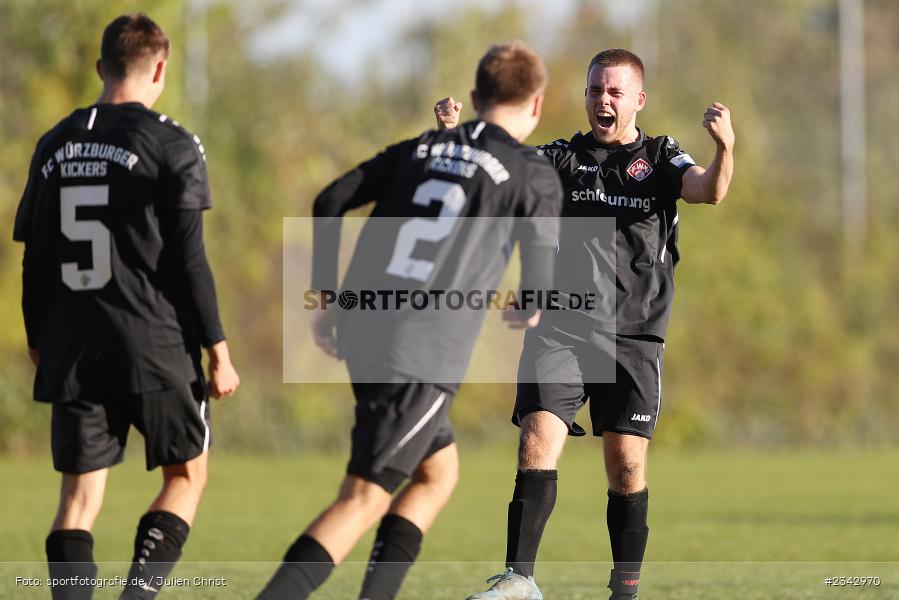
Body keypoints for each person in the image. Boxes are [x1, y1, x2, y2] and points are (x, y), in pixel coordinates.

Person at [257, 41, 562, 600]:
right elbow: (539, 274)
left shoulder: (422, 147)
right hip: (420, 351)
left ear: (474, 97)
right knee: (363, 497)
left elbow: (329, 201)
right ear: (537, 106)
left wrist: (328, 294)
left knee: (436, 474)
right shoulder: (532, 172)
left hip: (364, 329)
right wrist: (530, 302)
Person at [436, 48, 735, 600]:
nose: (603, 99)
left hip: (636, 332)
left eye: (615, 92)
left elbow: (708, 191)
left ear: (638, 100)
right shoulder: (562, 159)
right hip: (562, 328)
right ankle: (518, 581)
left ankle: (625, 589)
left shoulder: (663, 157)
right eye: (596, 89)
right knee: (537, 436)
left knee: (625, 464)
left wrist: (725, 147)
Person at [13, 13, 239, 600]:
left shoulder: (54, 142)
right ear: (160, 67)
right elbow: (190, 261)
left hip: (74, 344)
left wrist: (38, 338)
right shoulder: (171, 142)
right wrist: (219, 350)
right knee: (187, 475)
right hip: (155, 342)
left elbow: (34, 255)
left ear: (99, 68)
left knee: (78, 500)